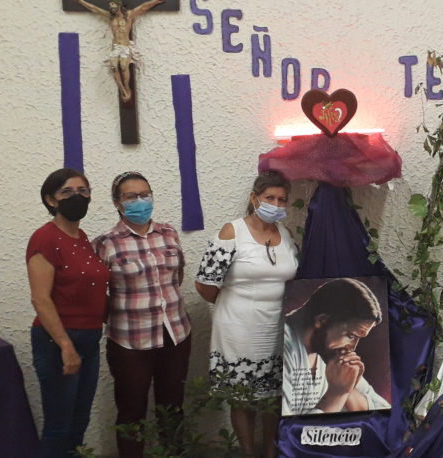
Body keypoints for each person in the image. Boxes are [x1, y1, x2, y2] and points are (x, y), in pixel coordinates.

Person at [195, 170, 298, 458]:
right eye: (269, 198)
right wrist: (237, 305)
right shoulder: (232, 232)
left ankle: (271, 452)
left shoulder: (286, 235)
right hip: (237, 330)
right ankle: (248, 453)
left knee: (273, 396)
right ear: (254, 198)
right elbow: (204, 284)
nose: (276, 204)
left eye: (282, 199)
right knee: (243, 399)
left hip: (277, 329)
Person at [92, 172, 191, 457]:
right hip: (130, 341)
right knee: (131, 411)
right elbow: (98, 295)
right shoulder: (106, 243)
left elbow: (177, 276)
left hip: (175, 332)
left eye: (145, 194)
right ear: (117, 203)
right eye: (131, 196)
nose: (140, 201)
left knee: (172, 407)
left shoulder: (168, 233)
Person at [27, 168, 110, 457]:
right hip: (58, 341)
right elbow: (41, 299)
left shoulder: (82, 237)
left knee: (79, 422)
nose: (77, 197)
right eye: (67, 192)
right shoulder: (45, 238)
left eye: (83, 191)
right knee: (59, 426)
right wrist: (65, 345)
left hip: (89, 338)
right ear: (51, 200)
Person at [281, 278, 390, 415]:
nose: (352, 348)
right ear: (322, 320)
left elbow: (383, 410)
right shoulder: (279, 348)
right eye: (351, 336)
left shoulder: (331, 353)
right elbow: (285, 426)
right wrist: (337, 394)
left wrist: (347, 390)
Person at [71, 0, 167, 102]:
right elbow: (94, 9)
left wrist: (156, 1)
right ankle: (122, 90)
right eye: (110, 6)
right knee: (113, 66)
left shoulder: (129, 15)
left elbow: (143, 7)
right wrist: (81, 1)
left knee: (123, 66)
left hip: (125, 46)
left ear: (119, 5)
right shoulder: (110, 17)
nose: (111, 8)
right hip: (116, 46)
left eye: (113, 5)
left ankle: (127, 88)